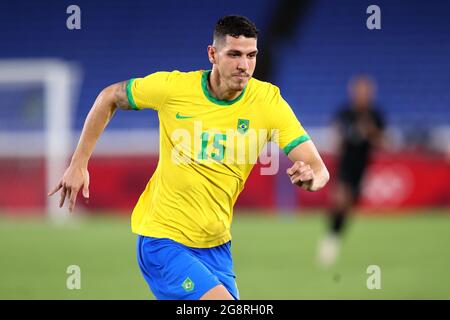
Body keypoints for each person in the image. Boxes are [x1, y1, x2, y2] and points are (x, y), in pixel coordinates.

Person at [48, 15, 329, 300]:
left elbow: (319, 168)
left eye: (251, 55)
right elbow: (109, 96)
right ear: (212, 54)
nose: (244, 65)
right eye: (234, 54)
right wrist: (78, 163)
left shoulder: (268, 102)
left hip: (217, 246)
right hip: (163, 239)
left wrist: (311, 178)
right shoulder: (174, 89)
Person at [317, 75, 385, 267]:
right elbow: (336, 138)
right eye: (360, 91)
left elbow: (383, 142)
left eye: (366, 91)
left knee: (348, 207)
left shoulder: (376, 115)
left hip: (362, 168)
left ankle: (334, 236)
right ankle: (329, 241)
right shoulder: (345, 113)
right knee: (341, 199)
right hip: (345, 165)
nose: (363, 95)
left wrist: (371, 132)